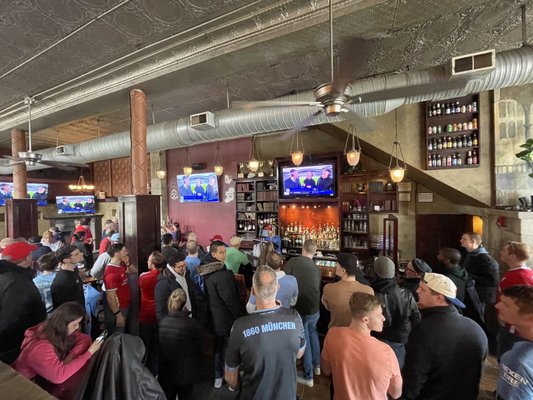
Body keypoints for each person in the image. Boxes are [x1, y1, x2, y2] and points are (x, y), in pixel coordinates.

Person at [402, 273, 488, 400]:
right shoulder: (475, 327)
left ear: (439, 298)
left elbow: (414, 377)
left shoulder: (424, 330)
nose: (417, 291)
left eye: (423, 289)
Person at [225, 265, 305, 399]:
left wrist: (239, 386)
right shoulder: (295, 317)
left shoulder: (239, 326)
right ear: (277, 288)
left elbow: (230, 377)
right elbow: (299, 353)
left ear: (253, 291)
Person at [321, 292, 402, 400]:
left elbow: (326, 370)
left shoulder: (332, 334)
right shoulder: (387, 352)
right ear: (365, 320)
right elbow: (396, 393)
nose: (383, 318)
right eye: (379, 315)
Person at [13, 301, 102, 385]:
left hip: (40, 380)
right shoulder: (39, 348)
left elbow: (84, 339)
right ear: (62, 324)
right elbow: (59, 377)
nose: (77, 327)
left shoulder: (54, 330)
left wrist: (69, 358)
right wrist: (88, 353)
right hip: (23, 385)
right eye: (75, 324)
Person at [197, 241, 245, 389]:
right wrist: (241, 316)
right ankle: (231, 380)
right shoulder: (223, 275)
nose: (224, 254)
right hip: (226, 317)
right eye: (221, 252)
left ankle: (217, 376)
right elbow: (231, 300)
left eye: (225, 251)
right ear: (213, 254)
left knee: (217, 347)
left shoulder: (204, 271)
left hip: (212, 315)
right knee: (230, 349)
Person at [0, 242, 46, 364]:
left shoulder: (5, 276)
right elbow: (11, 321)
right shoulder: (19, 284)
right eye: (30, 254)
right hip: (15, 349)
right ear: (26, 259)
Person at [371, 256, 420, 369]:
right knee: (397, 373)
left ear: (375, 272)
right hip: (399, 338)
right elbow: (416, 318)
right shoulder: (406, 294)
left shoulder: (370, 292)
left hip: (376, 337)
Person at [284, 239, 321, 387]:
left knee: (303, 338)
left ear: (302, 249)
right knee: (313, 333)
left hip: (300, 307)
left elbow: (286, 280)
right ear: (315, 252)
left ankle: (308, 376)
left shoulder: (293, 262)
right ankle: (317, 366)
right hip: (314, 308)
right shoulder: (317, 268)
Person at [158, 288, 204, 400]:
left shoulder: (162, 322)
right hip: (185, 373)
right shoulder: (191, 324)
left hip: (166, 373)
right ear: (184, 305)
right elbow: (198, 347)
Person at [495, 285, 533, 400]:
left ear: (530, 318)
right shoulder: (522, 345)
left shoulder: (521, 362)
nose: (497, 306)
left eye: (506, 304)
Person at [497, 241, 533, 358]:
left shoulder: (521, 276)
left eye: (504, 250)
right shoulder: (516, 273)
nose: (500, 252)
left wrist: (513, 325)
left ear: (513, 255)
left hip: (514, 328)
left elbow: (524, 303)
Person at [322, 252, 374, 328]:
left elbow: (327, 307)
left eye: (337, 264)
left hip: (336, 333)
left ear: (343, 271)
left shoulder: (328, 288)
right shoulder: (369, 291)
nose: (335, 266)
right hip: (358, 335)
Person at [138, 251, 165, 375]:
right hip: (161, 316)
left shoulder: (144, 277)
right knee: (159, 346)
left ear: (153, 264)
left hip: (146, 315)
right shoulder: (165, 277)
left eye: (149, 261)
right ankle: (158, 370)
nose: (147, 262)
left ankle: (147, 372)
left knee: (147, 345)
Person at [460, 232, 500, 313]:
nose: (461, 240)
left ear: (473, 242)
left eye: (464, 239)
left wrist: (469, 276)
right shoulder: (470, 254)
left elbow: (493, 281)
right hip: (472, 293)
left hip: (482, 296)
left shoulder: (486, 259)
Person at [154, 253, 193, 322]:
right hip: (175, 323)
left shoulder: (185, 274)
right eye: (180, 267)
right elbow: (160, 310)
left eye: (184, 265)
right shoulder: (163, 283)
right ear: (172, 267)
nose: (184, 268)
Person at [103, 244, 133, 334]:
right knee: (117, 335)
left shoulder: (120, 266)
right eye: (124, 251)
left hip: (124, 305)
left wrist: (128, 263)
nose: (126, 253)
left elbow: (133, 271)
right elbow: (111, 297)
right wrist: (118, 314)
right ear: (117, 254)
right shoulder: (111, 273)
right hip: (118, 309)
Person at [51, 245, 86, 310]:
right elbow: (64, 307)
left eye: (79, 252)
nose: (82, 254)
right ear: (66, 260)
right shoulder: (63, 281)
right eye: (76, 254)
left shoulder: (74, 270)